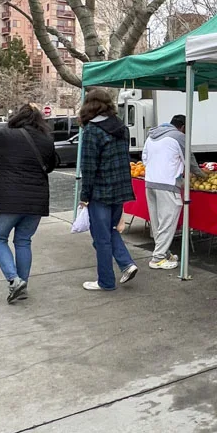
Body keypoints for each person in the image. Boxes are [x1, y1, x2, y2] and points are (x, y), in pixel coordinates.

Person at [0, 104, 56, 304]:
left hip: (6, 200)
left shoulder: (6, 135)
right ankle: (21, 283)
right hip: (35, 202)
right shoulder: (47, 140)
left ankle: (14, 280)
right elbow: (51, 165)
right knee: (23, 241)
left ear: (17, 118)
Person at [79, 88, 138, 291]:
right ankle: (126, 264)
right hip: (119, 190)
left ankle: (106, 281)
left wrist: (84, 196)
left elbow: (88, 167)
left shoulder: (92, 131)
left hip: (100, 192)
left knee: (101, 237)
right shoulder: (122, 127)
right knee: (109, 232)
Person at [141, 114, 204, 270]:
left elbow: (144, 159)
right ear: (182, 126)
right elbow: (190, 161)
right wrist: (203, 175)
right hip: (168, 184)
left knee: (157, 222)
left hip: (150, 183)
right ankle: (158, 258)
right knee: (167, 222)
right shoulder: (178, 137)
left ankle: (164, 252)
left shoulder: (151, 137)